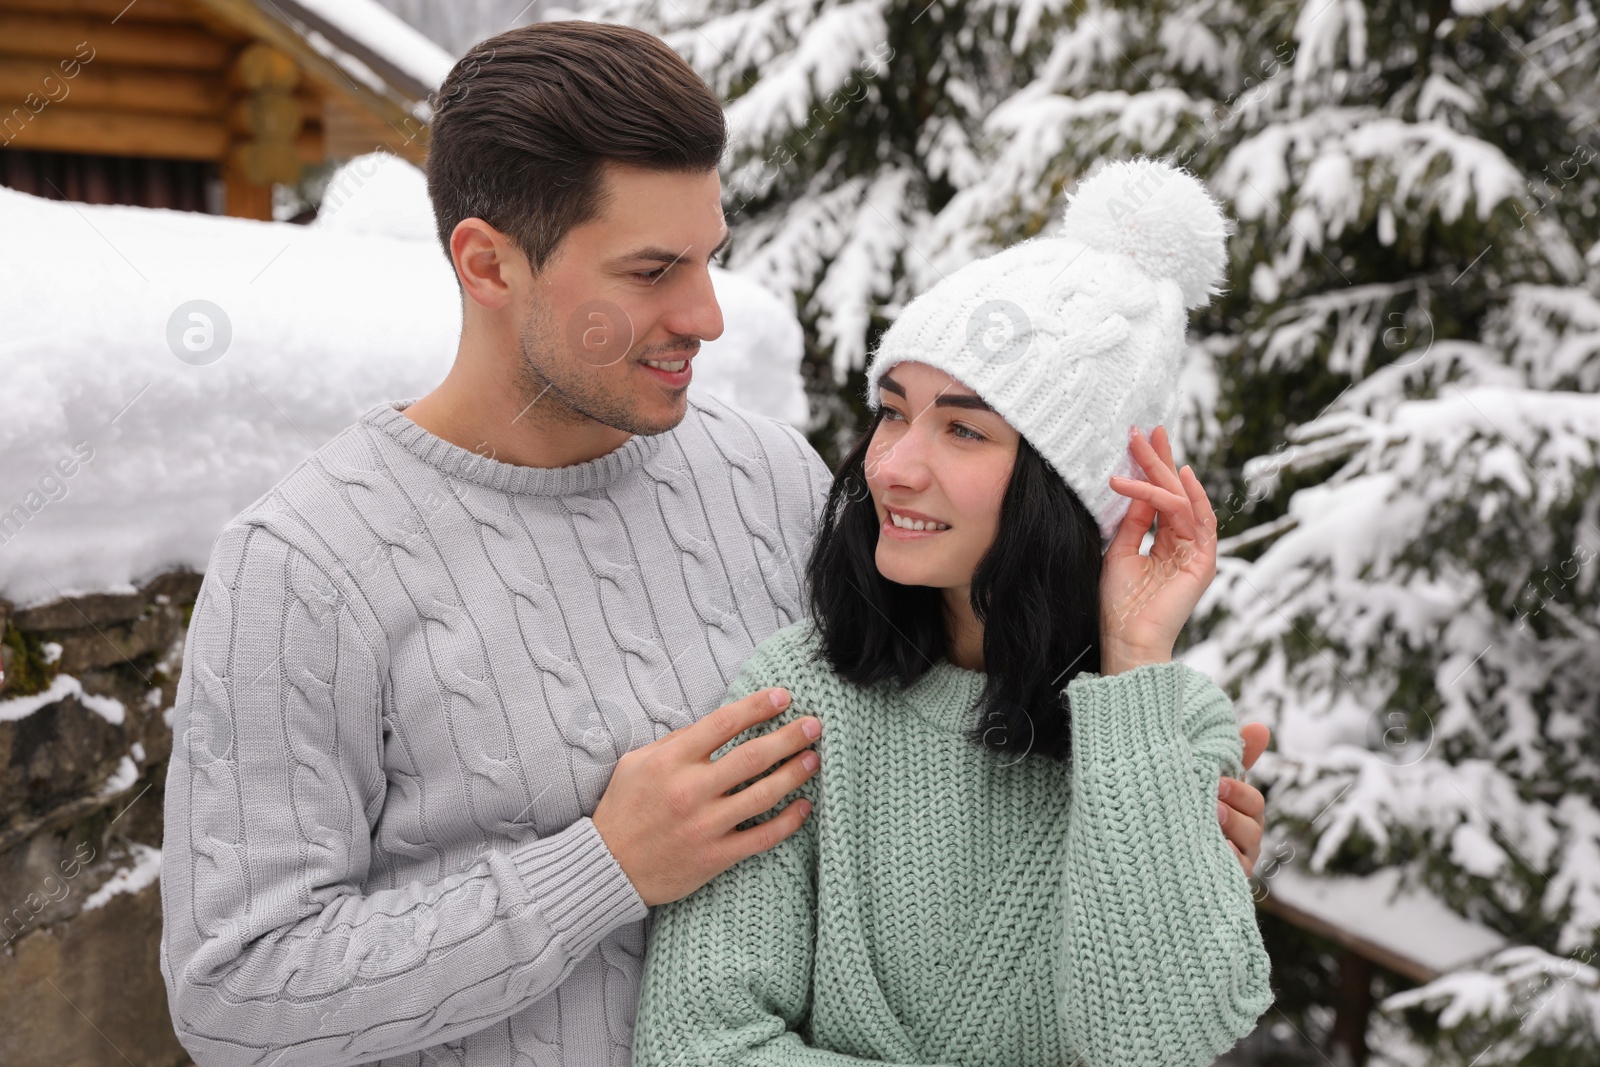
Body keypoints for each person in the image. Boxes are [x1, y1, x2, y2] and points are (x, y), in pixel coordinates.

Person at [157, 19, 1270, 1067]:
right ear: (490, 264)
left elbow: (937, 749)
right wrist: (600, 867)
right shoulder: (305, 566)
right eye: (651, 272)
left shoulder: (767, 476)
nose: (708, 314)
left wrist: (1153, 839)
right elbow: (234, 992)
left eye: (708, 258)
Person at [632, 158, 1276, 1067]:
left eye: (964, 429)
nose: (891, 464)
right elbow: (699, 1044)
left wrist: (1134, 658)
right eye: (893, 413)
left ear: (1069, 489)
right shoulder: (797, 699)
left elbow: (1159, 1039)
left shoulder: (1167, 728)